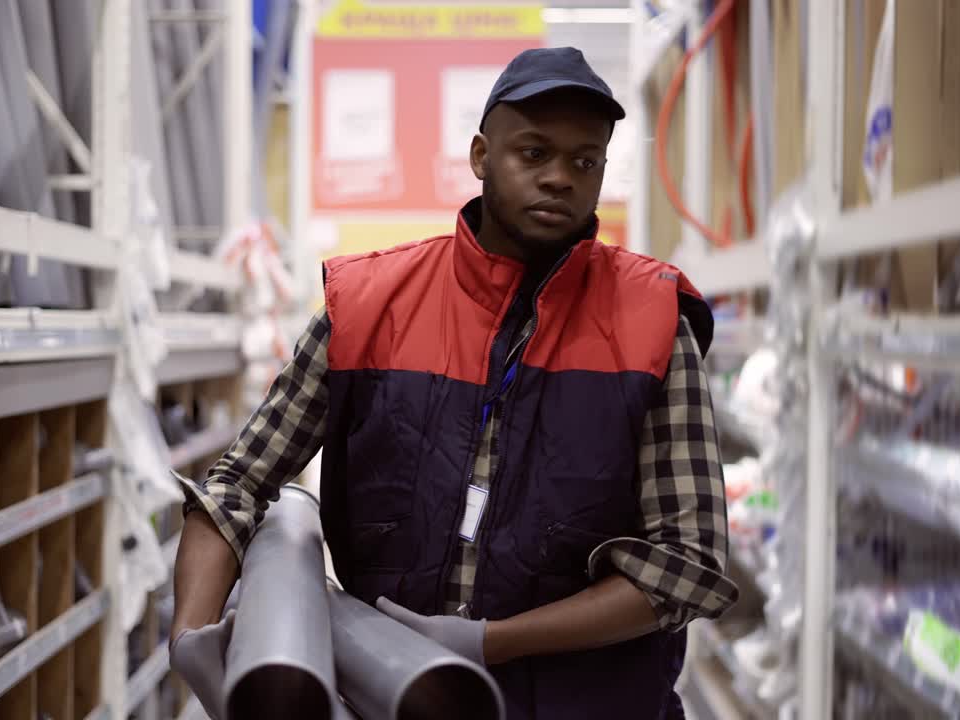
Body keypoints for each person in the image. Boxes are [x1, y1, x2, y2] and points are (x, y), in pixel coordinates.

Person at [169, 46, 739, 719]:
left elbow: (689, 565)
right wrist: (193, 639)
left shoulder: (651, 322)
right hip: (396, 700)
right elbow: (239, 484)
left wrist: (489, 643)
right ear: (480, 156)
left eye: (584, 162)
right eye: (533, 154)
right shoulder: (370, 305)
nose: (560, 178)